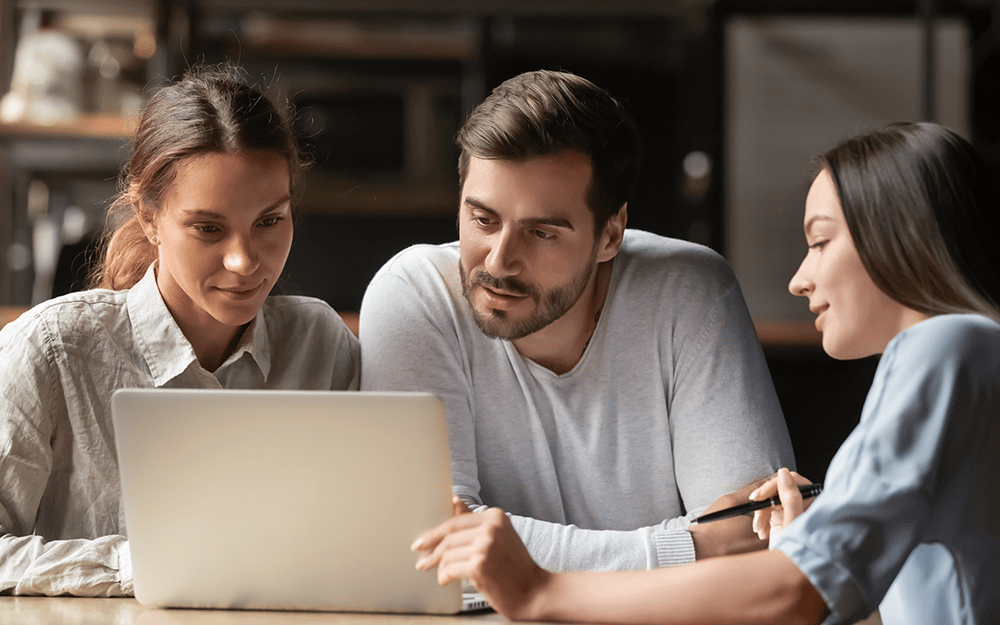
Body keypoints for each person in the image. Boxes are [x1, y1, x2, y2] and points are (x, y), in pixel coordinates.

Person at [412, 121, 1000, 625]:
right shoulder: (972, 356)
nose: (800, 279)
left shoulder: (947, 346)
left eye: (819, 242)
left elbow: (797, 594)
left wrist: (543, 591)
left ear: (897, 238)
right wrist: (811, 539)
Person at [360, 69, 795, 572]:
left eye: (542, 233)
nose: (499, 262)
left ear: (611, 235)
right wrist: (689, 546)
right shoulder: (414, 294)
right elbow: (427, 550)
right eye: (483, 220)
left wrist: (503, 554)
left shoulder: (690, 291)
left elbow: (756, 544)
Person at [0, 63, 360, 597]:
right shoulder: (52, 350)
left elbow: (364, 534)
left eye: (269, 221)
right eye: (208, 228)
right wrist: (156, 562)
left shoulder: (321, 344)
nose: (243, 261)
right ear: (149, 216)